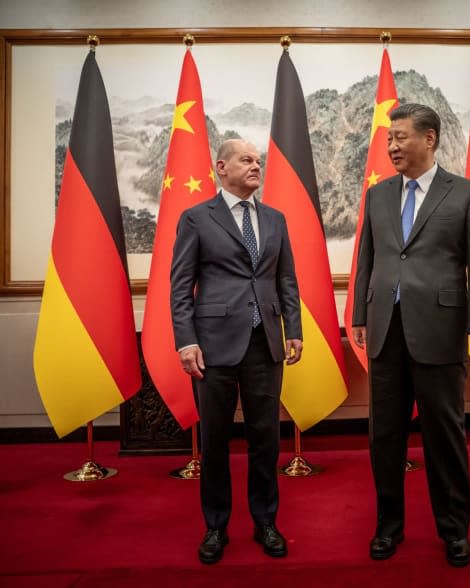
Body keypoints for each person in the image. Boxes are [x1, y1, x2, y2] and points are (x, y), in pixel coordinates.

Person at [351, 103, 470, 567]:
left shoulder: (467, 194)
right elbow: (367, 261)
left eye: (400, 137)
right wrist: (359, 314)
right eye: (389, 139)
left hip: (440, 328)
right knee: (385, 437)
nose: (392, 146)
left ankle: (454, 530)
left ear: (429, 139)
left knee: (444, 435)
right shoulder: (377, 195)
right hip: (384, 331)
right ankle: (387, 527)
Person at [170, 139, 303, 564]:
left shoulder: (275, 219)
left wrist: (293, 329)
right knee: (214, 441)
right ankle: (215, 526)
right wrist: (186, 339)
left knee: (265, 439)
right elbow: (180, 288)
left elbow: (286, 280)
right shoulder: (196, 218)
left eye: (258, 161)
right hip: (212, 347)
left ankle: (266, 521)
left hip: (266, 344)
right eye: (246, 160)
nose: (255, 166)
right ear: (221, 167)